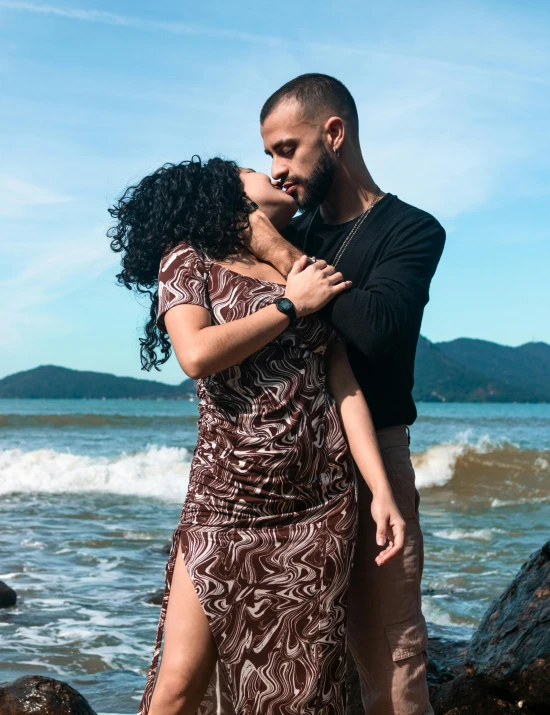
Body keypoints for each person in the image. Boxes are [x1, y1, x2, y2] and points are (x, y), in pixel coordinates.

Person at [107, 156, 406, 715]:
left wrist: (381, 491)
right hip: (227, 499)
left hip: (318, 506)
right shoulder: (189, 257)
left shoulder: (306, 267)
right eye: (249, 168)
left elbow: (344, 389)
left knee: (297, 689)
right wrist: (292, 307)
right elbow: (195, 355)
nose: (268, 172)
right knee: (178, 685)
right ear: (221, 191)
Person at [236, 73, 446, 715]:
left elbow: (376, 331)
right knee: (287, 651)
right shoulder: (290, 225)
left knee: (390, 653)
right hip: (285, 460)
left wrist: (275, 248)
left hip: (375, 453)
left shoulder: (411, 230)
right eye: (268, 153)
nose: (277, 170)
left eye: (287, 148)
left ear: (334, 134)